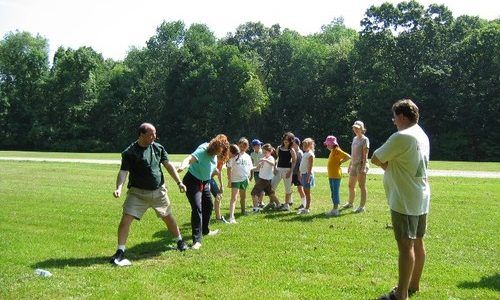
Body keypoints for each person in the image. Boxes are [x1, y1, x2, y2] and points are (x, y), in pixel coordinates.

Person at [372, 99, 430, 300]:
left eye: (395, 117)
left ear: (402, 116)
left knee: (405, 246)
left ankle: (401, 294)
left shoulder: (401, 136)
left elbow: (376, 157)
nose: (394, 121)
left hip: (404, 198)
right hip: (420, 196)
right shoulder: (421, 134)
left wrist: (389, 168)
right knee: (418, 242)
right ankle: (413, 285)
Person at [110, 123, 188, 264]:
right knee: (125, 220)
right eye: (151, 134)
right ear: (141, 134)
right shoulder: (130, 152)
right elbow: (123, 172)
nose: (154, 137)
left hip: (159, 191)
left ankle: (180, 241)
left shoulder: (158, 148)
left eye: (155, 134)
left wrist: (179, 182)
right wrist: (119, 188)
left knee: (168, 217)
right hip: (137, 194)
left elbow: (168, 166)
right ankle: (120, 251)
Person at [177, 134, 230, 250]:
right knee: (197, 208)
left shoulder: (217, 154)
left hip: (205, 182)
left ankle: (205, 230)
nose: (218, 154)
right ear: (213, 146)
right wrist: (182, 166)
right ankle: (197, 240)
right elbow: (189, 159)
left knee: (209, 205)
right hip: (192, 181)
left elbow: (213, 167)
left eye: (221, 151)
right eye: (217, 151)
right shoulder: (202, 150)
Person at [345, 120, 370, 213]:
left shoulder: (365, 139)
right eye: (354, 128)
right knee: (351, 185)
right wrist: (350, 165)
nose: (355, 129)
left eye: (358, 128)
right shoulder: (355, 139)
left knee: (361, 186)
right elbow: (353, 153)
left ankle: (362, 206)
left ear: (362, 129)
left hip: (361, 165)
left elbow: (365, 154)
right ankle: (350, 203)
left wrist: (363, 166)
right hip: (354, 165)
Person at [226, 139, 253, 223]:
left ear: (247, 147)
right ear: (238, 145)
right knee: (234, 198)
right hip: (235, 180)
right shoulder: (233, 155)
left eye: (245, 146)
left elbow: (250, 168)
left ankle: (243, 211)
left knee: (243, 197)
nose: (243, 148)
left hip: (244, 179)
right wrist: (229, 180)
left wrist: (249, 177)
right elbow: (229, 168)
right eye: (241, 146)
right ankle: (231, 217)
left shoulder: (247, 156)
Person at [324, 135, 351, 217]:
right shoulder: (332, 151)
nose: (327, 145)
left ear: (333, 144)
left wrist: (341, 162)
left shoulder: (337, 150)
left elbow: (348, 156)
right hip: (331, 175)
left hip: (336, 176)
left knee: (335, 192)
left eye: (329, 144)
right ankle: (334, 208)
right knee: (333, 192)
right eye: (327, 144)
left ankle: (335, 210)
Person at [270, 132, 297, 211]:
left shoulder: (291, 150)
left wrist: (290, 171)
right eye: (285, 139)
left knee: (288, 189)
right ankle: (273, 203)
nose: (286, 141)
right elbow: (275, 158)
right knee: (271, 188)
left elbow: (294, 161)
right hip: (278, 170)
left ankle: (286, 205)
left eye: (288, 139)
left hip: (287, 171)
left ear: (291, 141)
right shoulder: (279, 148)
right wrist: (274, 168)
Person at [251, 144, 281, 211]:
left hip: (265, 180)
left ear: (270, 152)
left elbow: (273, 164)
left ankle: (255, 209)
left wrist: (265, 160)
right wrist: (250, 168)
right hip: (264, 179)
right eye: (263, 152)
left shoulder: (271, 158)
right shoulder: (263, 159)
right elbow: (257, 168)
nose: (264, 154)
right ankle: (279, 205)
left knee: (254, 193)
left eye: (265, 152)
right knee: (271, 194)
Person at [297, 138, 315, 215]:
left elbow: (310, 167)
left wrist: (308, 176)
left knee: (307, 191)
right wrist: (300, 173)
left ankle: (307, 208)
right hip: (303, 174)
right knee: (305, 190)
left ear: (310, 146)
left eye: (306, 145)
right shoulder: (305, 153)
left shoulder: (310, 154)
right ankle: (305, 207)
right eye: (303, 145)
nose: (303, 146)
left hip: (307, 175)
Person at [210, 154, 227, 223]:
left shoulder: (221, 162)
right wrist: (214, 172)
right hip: (203, 179)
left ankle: (218, 218)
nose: (223, 161)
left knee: (218, 196)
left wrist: (221, 185)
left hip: (210, 179)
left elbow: (219, 173)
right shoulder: (211, 160)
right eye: (222, 158)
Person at [291, 137, 306, 210]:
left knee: (300, 189)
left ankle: (304, 204)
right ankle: (290, 201)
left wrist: (299, 174)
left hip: (297, 174)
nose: (292, 145)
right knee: (289, 187)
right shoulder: (292, 151)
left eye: (293, 144)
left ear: (297, 144)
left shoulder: (299, 153)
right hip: (292, 173)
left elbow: (301, 165)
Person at [250, 139, 265, 207]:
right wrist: (251, 176)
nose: (259, 146)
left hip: (263, 172)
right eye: (258, 145)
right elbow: (252, 165)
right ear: (254, 147)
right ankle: (260, 202)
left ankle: (260, 202)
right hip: (256, 173)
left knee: (262, 187)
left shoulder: (263, 152)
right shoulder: (252, 154)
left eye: (260, 145)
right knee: (259, 187)